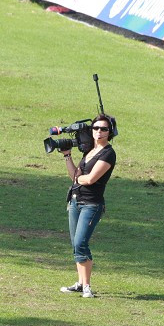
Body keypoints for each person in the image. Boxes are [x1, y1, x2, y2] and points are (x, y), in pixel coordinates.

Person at [59, 115, 117, 299]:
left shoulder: (108, 153)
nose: (98, 131)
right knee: (75, 244)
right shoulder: (89, 152)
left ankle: (86, 287)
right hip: (75, 201)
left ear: (110, 132)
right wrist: (67, 156)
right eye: (95, 128)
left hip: (91, 204)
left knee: (80, 243)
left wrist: (79, 179)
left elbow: (91, 179)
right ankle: (79, 283)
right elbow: (74, 176)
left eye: (103, 129)